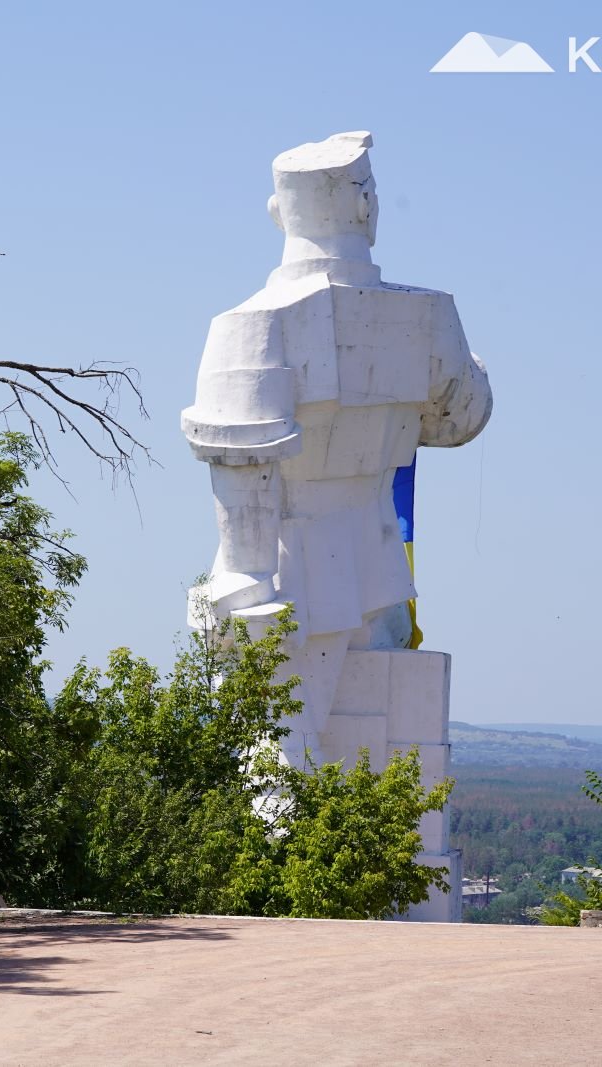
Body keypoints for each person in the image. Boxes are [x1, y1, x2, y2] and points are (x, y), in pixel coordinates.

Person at [182, 131, 491, 768]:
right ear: (364, 206)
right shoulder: (430, 316)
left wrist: (243, 613)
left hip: (287, 588)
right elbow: (459, 421)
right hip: (380, 578)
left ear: (279, 211)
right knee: (386, 787)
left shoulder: (250, 325)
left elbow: (243, 490)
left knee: (272, 786)